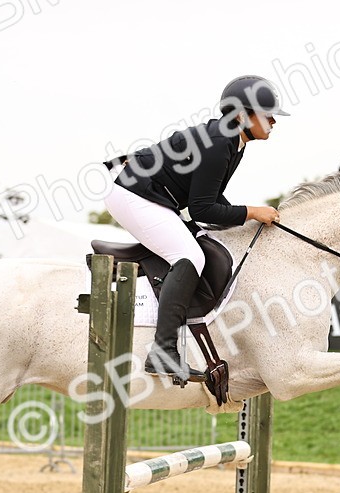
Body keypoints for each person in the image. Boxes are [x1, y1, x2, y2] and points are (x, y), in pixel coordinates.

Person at [103, 75, 287, 381]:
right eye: (267, 115)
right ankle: (162, 351)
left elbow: (211, 200)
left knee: (203, 241)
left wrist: (245, 216)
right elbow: (202, 209)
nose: (273, 121)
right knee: (191, 256)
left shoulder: (233, 141)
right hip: (132, 194)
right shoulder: (219, 143)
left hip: (151, 195)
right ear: (242, 115)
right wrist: (253, 212)